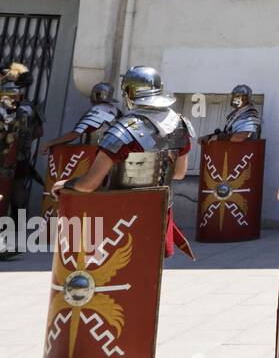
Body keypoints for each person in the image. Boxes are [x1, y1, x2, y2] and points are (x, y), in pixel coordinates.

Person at [50, 65, 193, 259]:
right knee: (146, 277)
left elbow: (89, 185)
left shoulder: (123, 130)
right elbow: (178, 173)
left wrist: (66, 184)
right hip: (158, 214)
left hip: (120, 219)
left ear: (129, 93)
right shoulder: (180, 124)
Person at [0, 63, 42, 260]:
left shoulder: (11, 111)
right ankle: (17, 225)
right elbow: (37, 132)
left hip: (8, 158)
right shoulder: (26, 108)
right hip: (15, 157)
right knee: (15, 190)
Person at [42, 81, 120, 150]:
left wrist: (50, 143)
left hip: (94, 154)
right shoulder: (116, 111)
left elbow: (75, 134)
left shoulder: (96, 110)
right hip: (112, 155)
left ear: (95, 96)